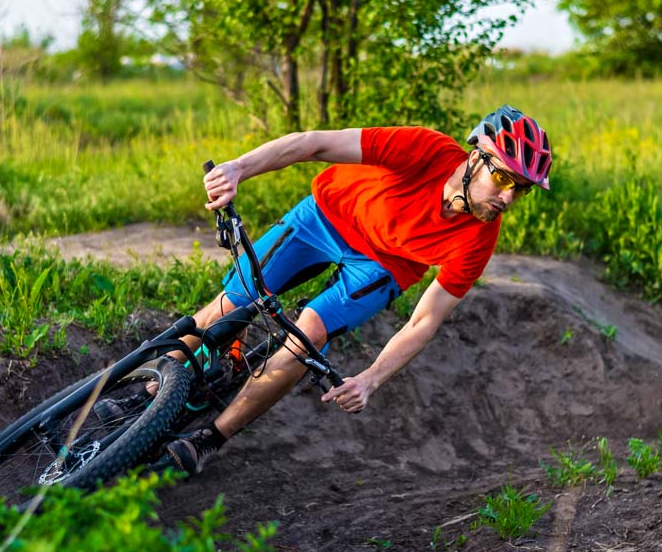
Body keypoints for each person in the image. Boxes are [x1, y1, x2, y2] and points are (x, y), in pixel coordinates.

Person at [103, 105, 552, 476]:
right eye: (506, 180)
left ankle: (209, 439)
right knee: (233, 301)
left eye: (523, 190)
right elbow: (315, 143)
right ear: (476, 159)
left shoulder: (479, 238)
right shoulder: (425, 148)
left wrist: (371, 379)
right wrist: (240, 168)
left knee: (308, 336)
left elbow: (425, 320)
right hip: (326, 215)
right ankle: (143, 395)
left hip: (385, 264)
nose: (509, 198)